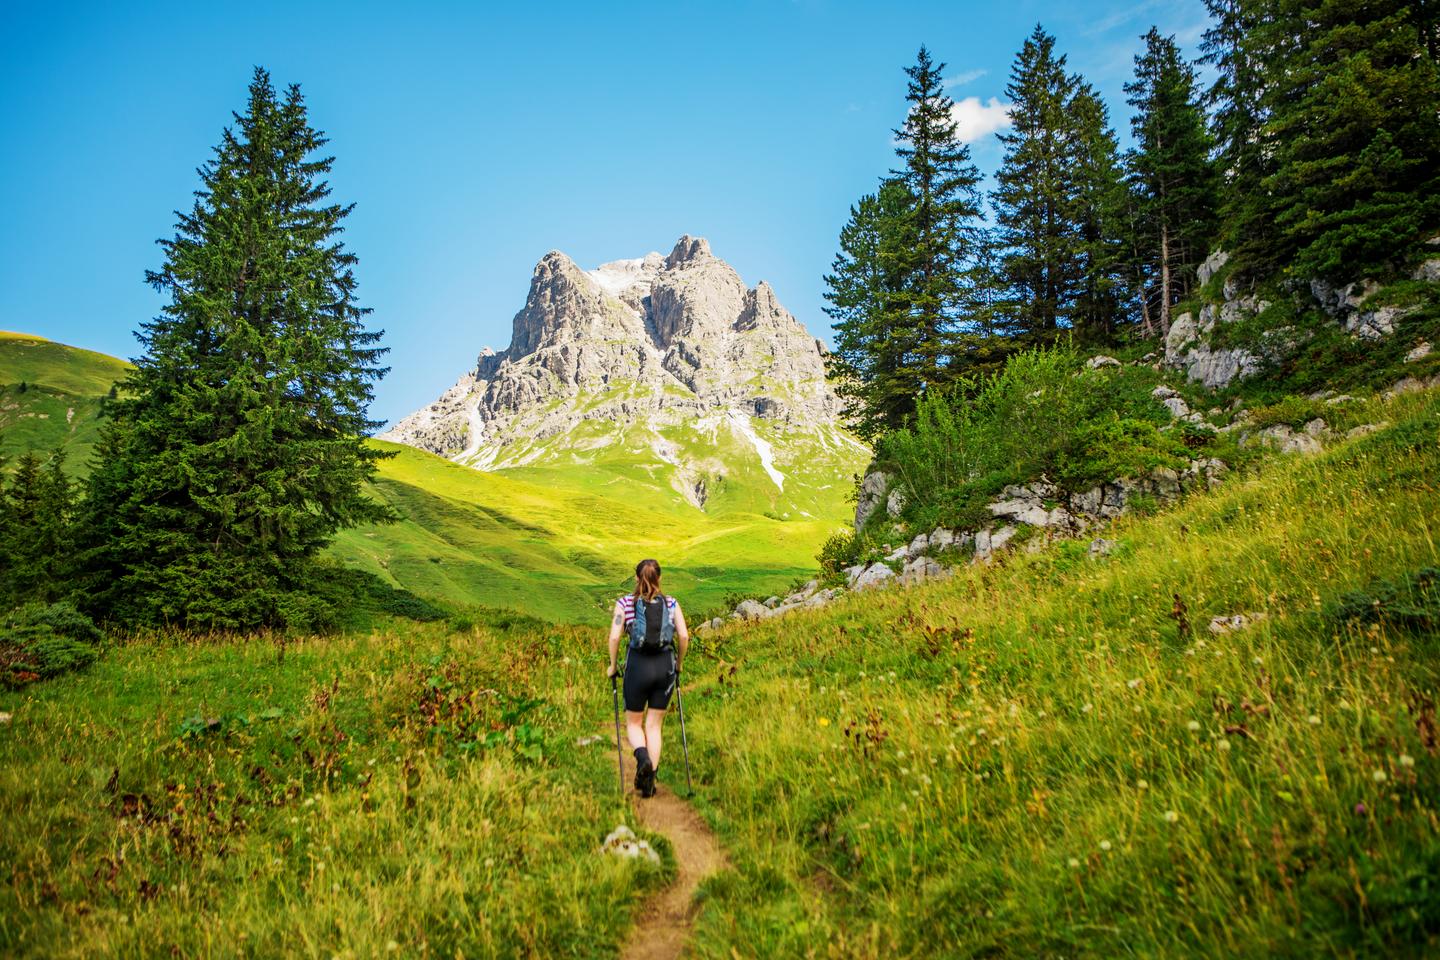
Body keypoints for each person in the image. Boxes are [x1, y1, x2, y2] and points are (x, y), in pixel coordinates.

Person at [607, 558, 689, 797]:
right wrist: (679, 665)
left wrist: (613, 666)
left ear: (636, 578)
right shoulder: (672, 603)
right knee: (654, 725)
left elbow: (614, 637)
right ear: (659, 578)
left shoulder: (625, 603)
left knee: (634, 723)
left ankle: (642, 757)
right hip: (665, 667)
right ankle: (650, 779)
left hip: (638, 666)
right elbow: (683, 636)